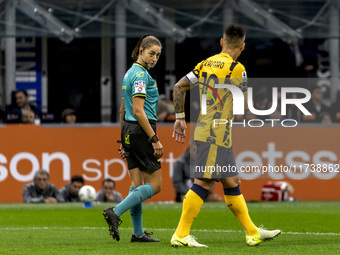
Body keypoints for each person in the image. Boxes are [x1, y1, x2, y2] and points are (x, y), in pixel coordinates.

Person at [171, 24, 281, 248]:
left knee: (232, 181)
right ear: (243, 46)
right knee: (203, 182)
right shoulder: (238, 69)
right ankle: (181, 234)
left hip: (211, 130)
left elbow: (178, 87)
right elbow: (243, 105)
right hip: (215, 133)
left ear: (222, 42)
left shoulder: (205, 64)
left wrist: (180, 118)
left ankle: (252, 233)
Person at [102, 34, 163, 243]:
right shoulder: (140, 76)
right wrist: (154, 138)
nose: (154, 58)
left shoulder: (129, 73)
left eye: (158, 55)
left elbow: (122, 110)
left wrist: (123, 141)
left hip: (129, 131)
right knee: (155, 185)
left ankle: (138, 234)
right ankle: (116, 211)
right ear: (141, 51)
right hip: (141, 130)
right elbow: (138, 111)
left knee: (137, 183)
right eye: (151, 53)